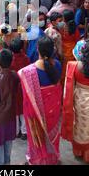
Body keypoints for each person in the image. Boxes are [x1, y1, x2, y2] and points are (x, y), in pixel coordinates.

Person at [18, 36, 62, 165]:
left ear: (38, 49)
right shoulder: (58, 65)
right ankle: (52, 158)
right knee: (52, 136)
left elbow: (26, 96)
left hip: (36, 113)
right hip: (53, 110)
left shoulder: (28, 72)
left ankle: (38, 160)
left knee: (37, 136)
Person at [9, 38, 30, 140]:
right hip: (24, 87)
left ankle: (16, 131)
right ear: (22, 48)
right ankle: (24, 131)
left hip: (13, 87)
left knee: (15, 110)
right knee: (23, 109)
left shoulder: (10, 60)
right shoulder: (26, 58)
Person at [60, 10, 81, 84]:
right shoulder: (75, 28)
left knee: (63, 69)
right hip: (72, 49)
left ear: (65, 18)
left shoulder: (62, 27)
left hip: (64, 49)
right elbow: (77, 40)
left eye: (63, 17)